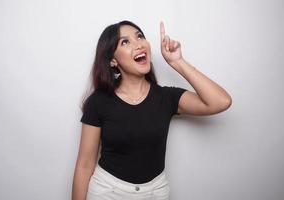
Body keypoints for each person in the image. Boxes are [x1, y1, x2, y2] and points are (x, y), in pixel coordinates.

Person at [72, 20, 232, 200]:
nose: (138, 44)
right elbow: (84, 165)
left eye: (139, 36)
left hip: (155, 193)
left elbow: (221, 101)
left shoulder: (167, 97)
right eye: (125, 42)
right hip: (108, 192)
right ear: (113, 61)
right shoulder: (99, 102)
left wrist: (177, 61)